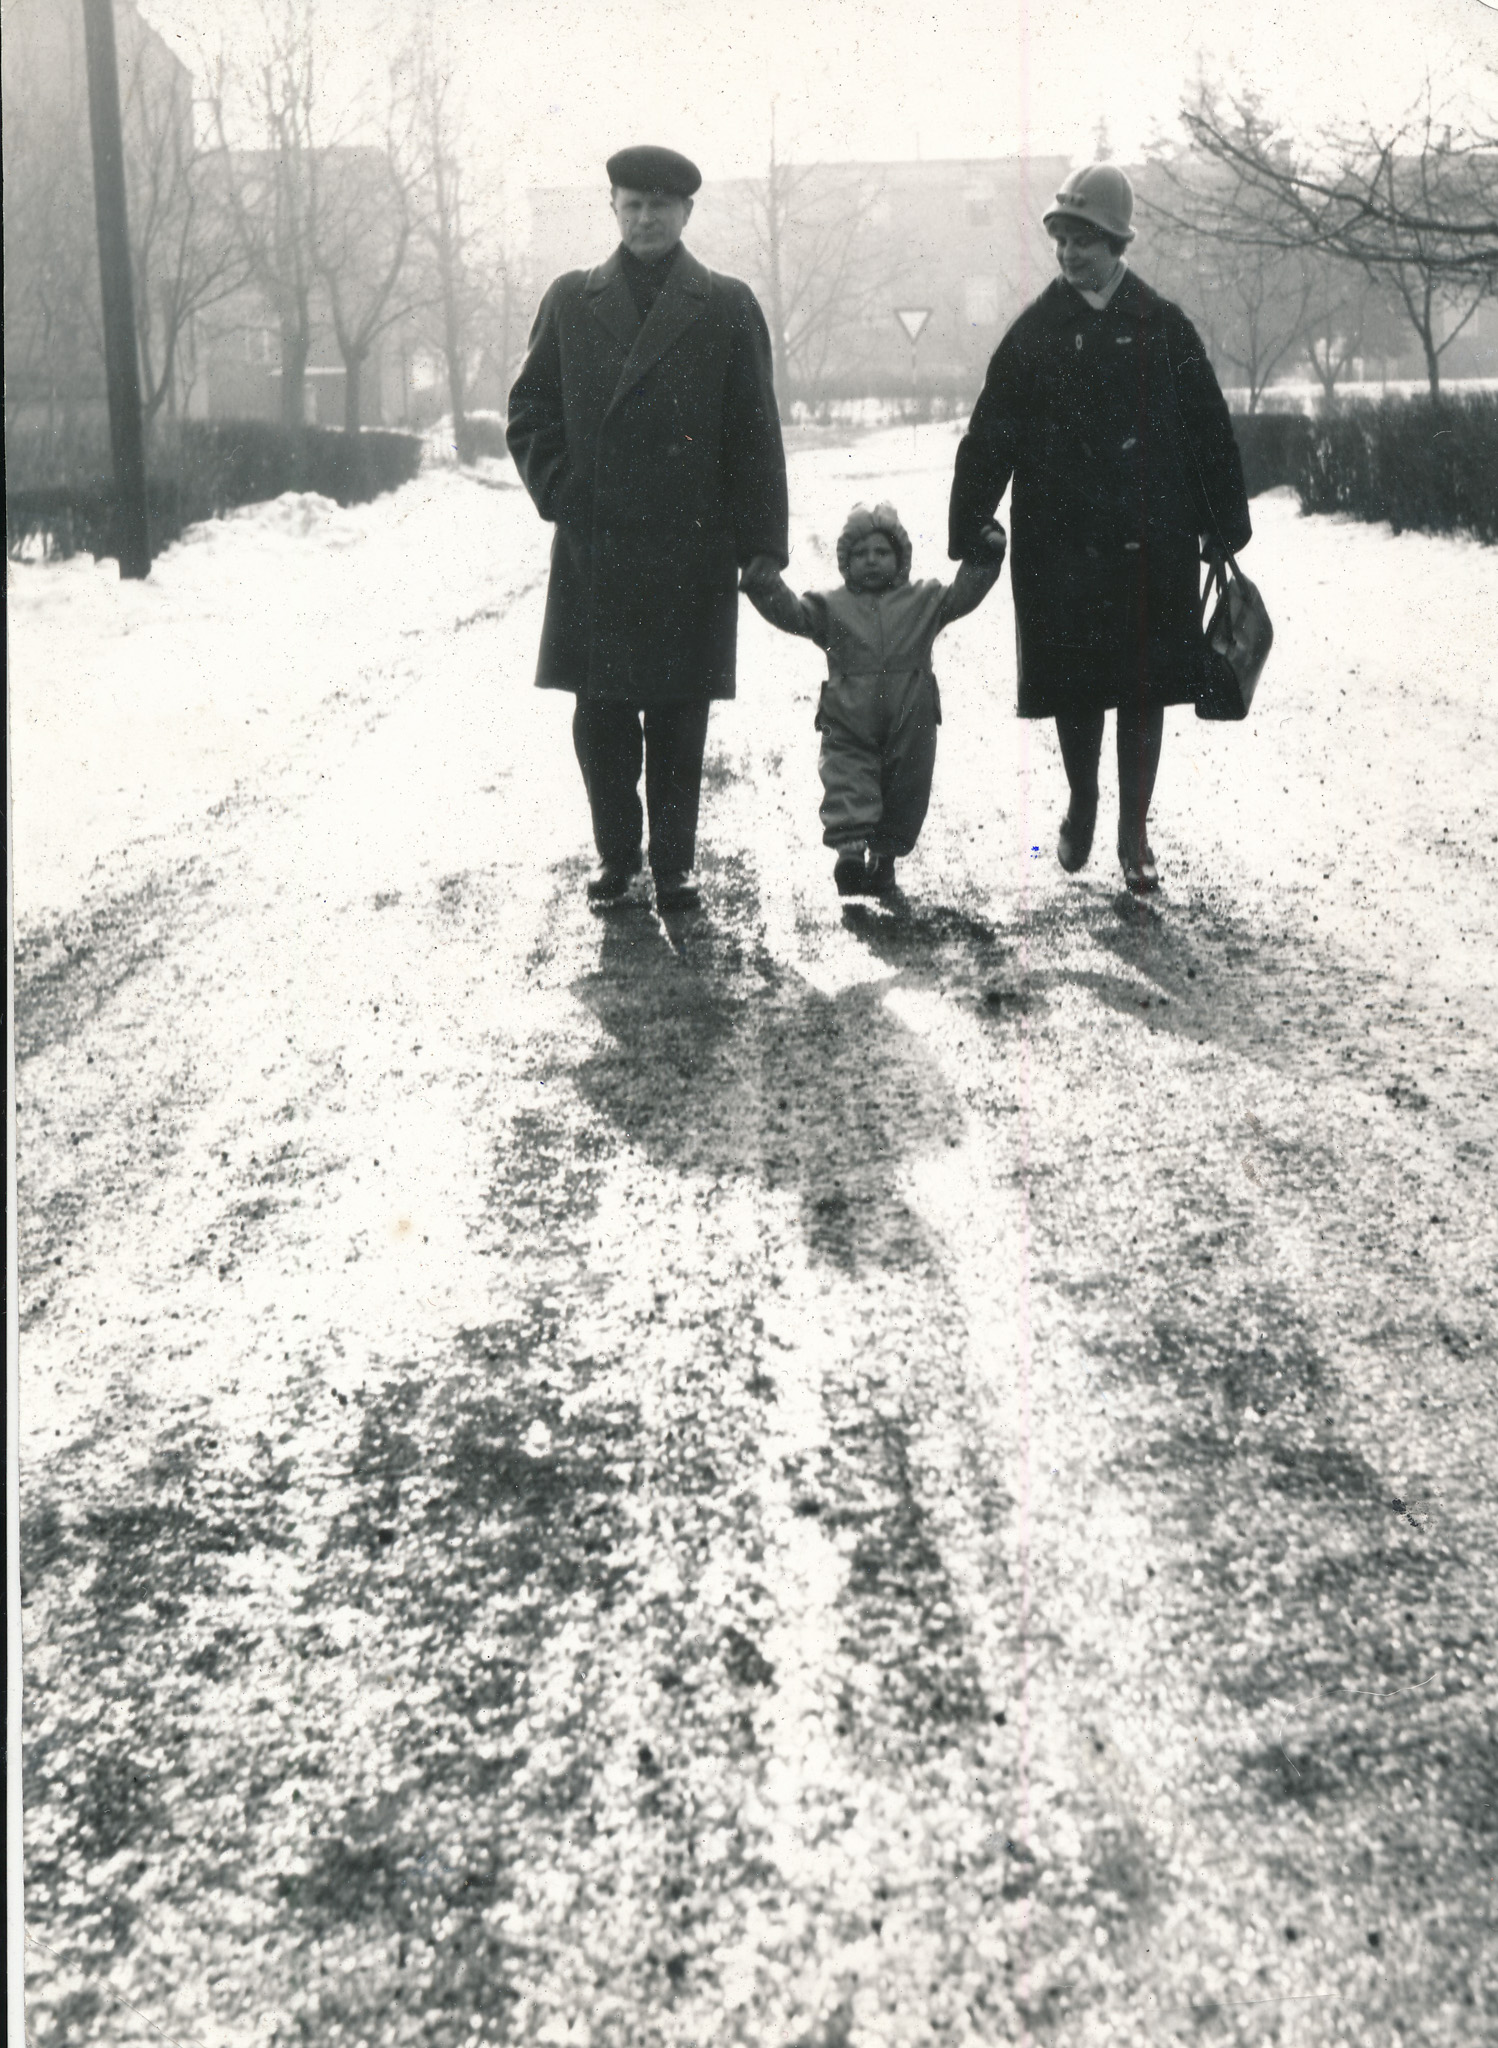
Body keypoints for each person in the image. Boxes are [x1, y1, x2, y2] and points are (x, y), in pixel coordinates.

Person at [947, 163, 1252, 893]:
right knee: (1076, 688)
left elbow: (1208, 430)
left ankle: (1134, 831)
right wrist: (971, 520)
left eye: (1083, 239)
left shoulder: (1164, 326)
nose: (1068, 252)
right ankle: (1083, 800)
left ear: (1117, 242)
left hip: (1153, 538)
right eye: (1060, 238)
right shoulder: (1034, 332)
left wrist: (1222, 524)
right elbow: (990, 433)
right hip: (1061, 543)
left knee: (1145, 690)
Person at [507, 145, 789, 911]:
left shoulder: (726, 304)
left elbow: (756, 433)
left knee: (678, 715)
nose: (644, 219)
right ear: (613, 208)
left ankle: (673, 865)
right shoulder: (571, 299)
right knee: (599, 715)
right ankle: (616, 855)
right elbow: (528, 411)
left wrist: (762, 546)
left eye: (660, 206)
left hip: (690, 545)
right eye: (631, 204)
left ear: (686, 212)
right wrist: (565, 493)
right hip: (597, 544)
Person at [745, 502, 1004, 896]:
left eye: (882, 552)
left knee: (906, 789)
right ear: (845, 560)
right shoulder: (831, 606)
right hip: (849, 717)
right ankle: (850, 852)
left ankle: (884, 859)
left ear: (900, 557)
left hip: (911, 717)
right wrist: (765, 584)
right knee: (847, 777)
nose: (871, 560)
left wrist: (984, 559)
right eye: (860, 553)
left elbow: (962, 596)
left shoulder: (924, 600)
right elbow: (793, 615)